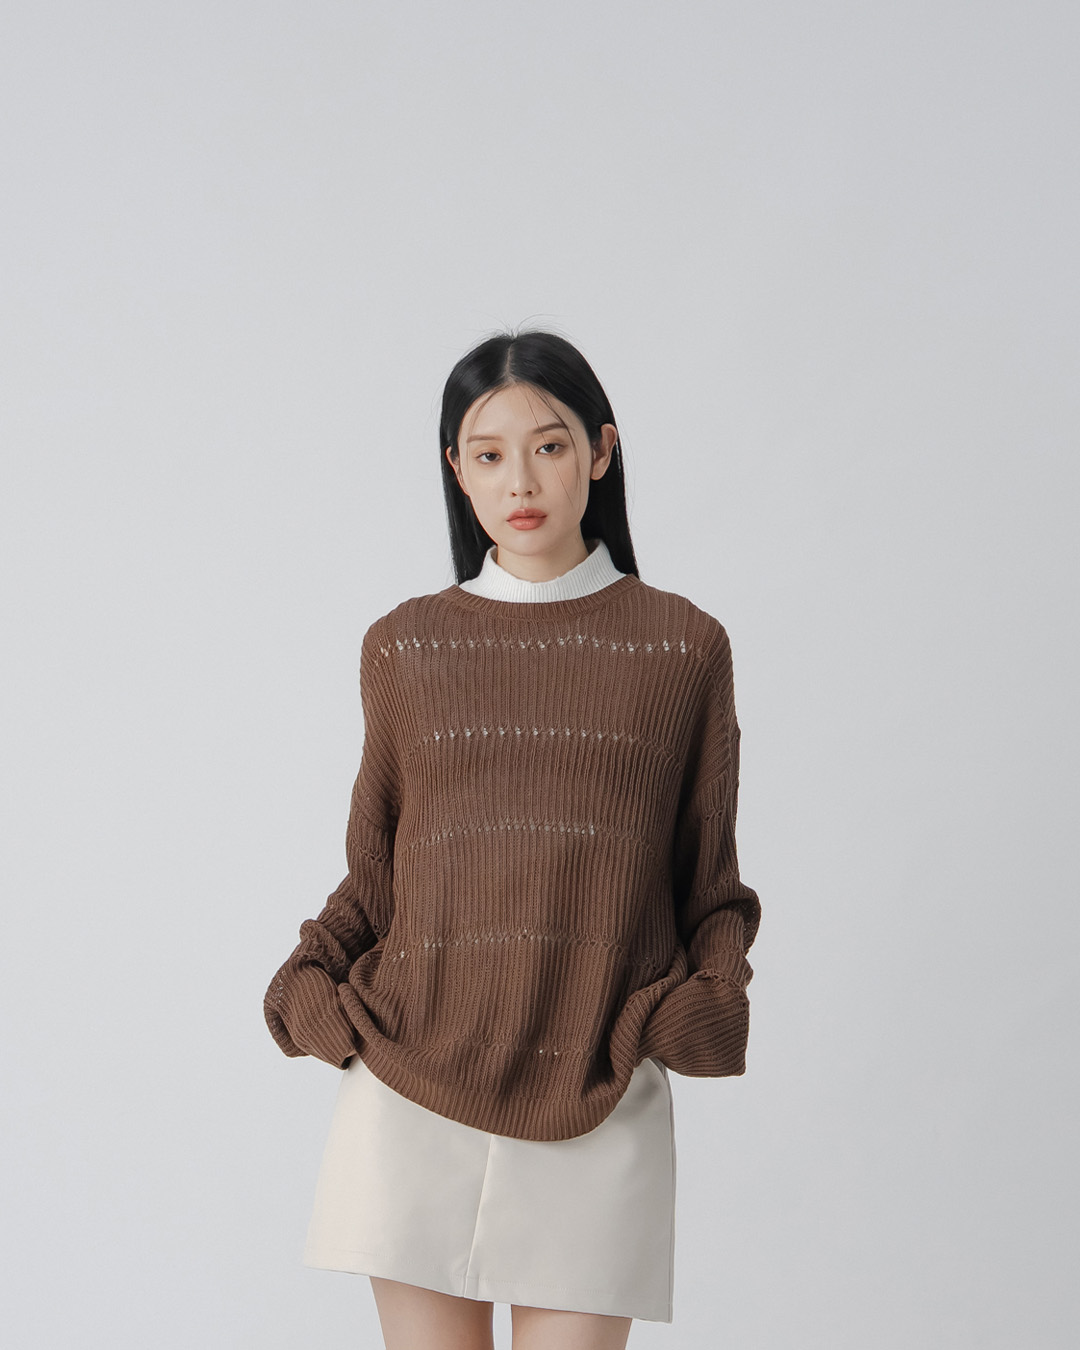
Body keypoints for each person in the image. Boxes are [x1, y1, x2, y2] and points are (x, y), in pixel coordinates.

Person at [263, 328, 762, 1350]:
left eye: (549, 446)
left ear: (602, 451)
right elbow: (380, 874)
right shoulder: (406, 647)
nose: (519, 482)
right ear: (457, 469)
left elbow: (708, 882)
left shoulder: (682, 648)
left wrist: (704, 1001)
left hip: (597, 1088)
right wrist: (314, 985)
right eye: (488, 455)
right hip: (410, 1092)